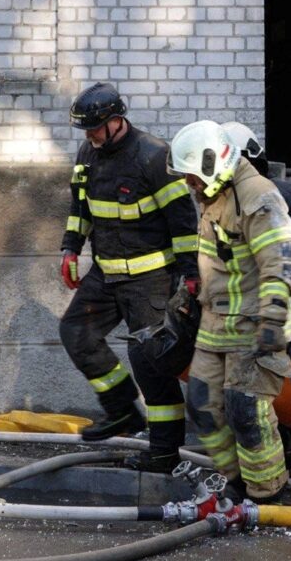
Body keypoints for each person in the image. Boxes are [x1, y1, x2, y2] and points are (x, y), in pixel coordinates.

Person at [59, 83, 199, 473]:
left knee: (151, 366)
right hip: (105, 274)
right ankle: (122, 409)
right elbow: (80, 205)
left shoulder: (154, 156)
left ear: (117, 120)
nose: (89, 136)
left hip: (151, 280)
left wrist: (190, 274)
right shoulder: (89, 152)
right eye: (85, 130)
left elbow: (184, 221)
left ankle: (164, 452)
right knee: (76, 333)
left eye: (94, 128)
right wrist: (71, 248)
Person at [168, 120, 291, 504]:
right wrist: (188, 296)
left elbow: (283, 258)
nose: (189, 185)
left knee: (247, 411)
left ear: (212, 164)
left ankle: (266, 495)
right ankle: (237, 481)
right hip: (216, 324)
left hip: (255, 324)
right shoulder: (214, 196)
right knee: (203, 405)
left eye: (192, 176)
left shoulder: (257, 196)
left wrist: (274, 316)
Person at [220, 122, 291, 469]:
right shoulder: (236, 199)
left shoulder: (274, 193)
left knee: (287, 383)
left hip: (289, 305)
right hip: (259, 310)